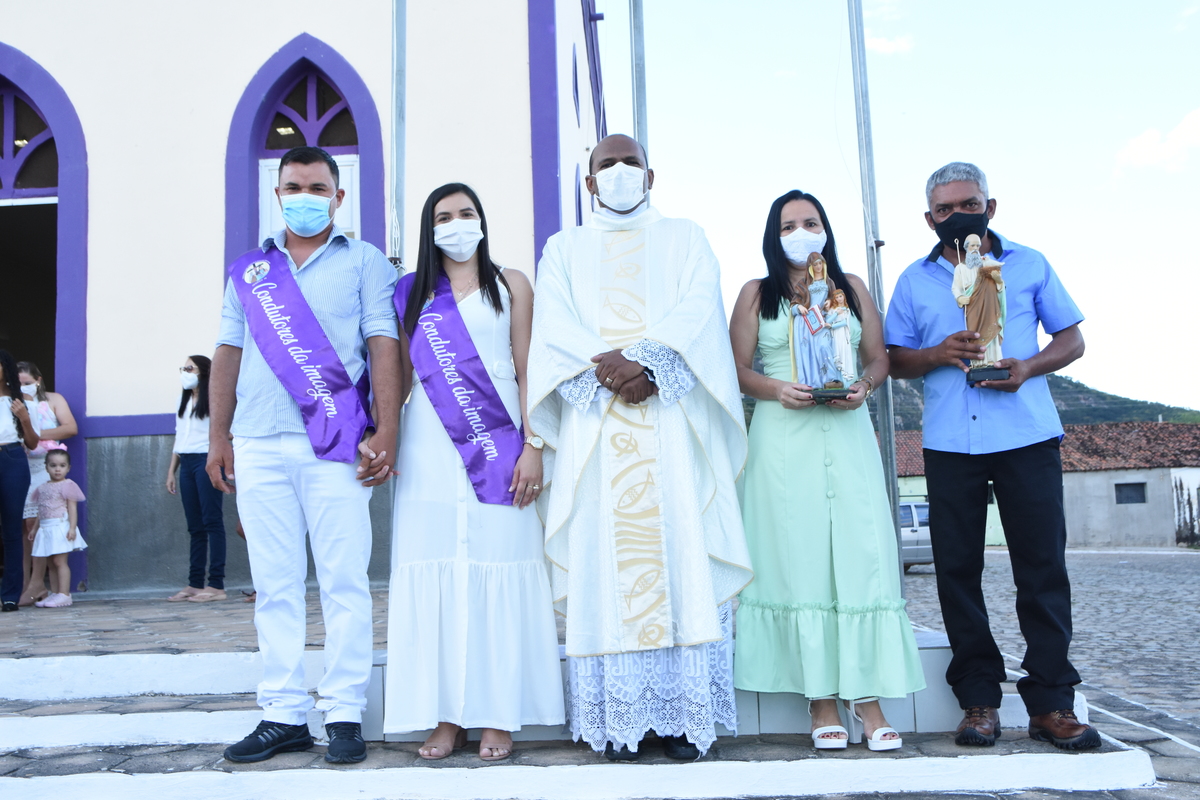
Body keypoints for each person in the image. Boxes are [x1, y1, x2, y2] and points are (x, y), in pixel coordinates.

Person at [528, 134, 754, 761]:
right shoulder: (563, 248)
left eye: (632, 163)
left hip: (671, 423)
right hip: (599, 429)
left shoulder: (686, 237)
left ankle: (681, 721)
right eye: (607, 165)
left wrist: (650, 365)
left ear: (651, 177)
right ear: (590, 182)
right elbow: (555, 325)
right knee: (605, 560)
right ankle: (621, 722)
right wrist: (616, 371)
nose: (620, 172)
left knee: (680, 553)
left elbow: (699, 311)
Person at [884, 162, 1098, 750]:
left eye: (968, 204)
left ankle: (1051, 703)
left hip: (1027, 435)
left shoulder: (1030, 263)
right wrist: (937, 353)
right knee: (957, 573)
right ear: (929, 219)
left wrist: (1028, 367)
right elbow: (895, 359)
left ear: (990, 207)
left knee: (1042, 569)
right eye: (945, 210)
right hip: (951, 443)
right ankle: (978, 701)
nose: (957, 216)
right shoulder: (913, 280)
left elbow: (1072, 339)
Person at [208, 145, 401, 764]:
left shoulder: (365, 261)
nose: (305, 197)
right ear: (278, 194)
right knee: (275, 585)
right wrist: (218, 436)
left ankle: (344, 713)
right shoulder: (250, 272)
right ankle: (283, 714)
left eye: (318, 188)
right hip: (257, 439)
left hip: (337, 443)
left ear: (338, 197)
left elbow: (383, 344)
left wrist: (388, 430)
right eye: (294, 187)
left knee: (344, 581)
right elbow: (228, 353)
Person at [729, 190, 925, 752]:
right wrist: (776, 389)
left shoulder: (852, 288)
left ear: (826, 229)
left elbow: (878, 358)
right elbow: (735, 369)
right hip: (782, 438)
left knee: (861, 556)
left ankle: (867, 697)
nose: (801, 232)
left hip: (847, 430)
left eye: (810, 221)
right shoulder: (756, 293)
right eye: (788, 225)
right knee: (798, 558)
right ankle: (819, 699)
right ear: (773, 235)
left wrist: (863, 386)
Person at [385, 183, 564, 762]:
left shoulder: (511, 284)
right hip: (430, 445)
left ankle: (497, 715)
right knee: (439, 566)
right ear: (429, 228)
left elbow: (527, 366)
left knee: (501, 561)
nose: (456, 224)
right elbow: (403, 376)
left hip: (500, 441)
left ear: (482, 221)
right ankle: (447, 716)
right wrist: (382, 435)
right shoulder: (410, 291)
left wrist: (534, 444)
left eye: (466, 213)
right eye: (444, 216)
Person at [165, 355, 227, 602]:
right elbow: (179, 437)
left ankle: (216, 585)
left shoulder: (216, 400)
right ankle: (194, 583)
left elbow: (228, 432)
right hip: (187, 462)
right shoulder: (182, 401)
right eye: (183, 368)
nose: (185, 372)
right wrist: (171, 471)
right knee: (195, 526)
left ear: (204, 372)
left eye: (190, 368)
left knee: (212, 521)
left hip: (206, 460)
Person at [16, 361, 77, 604]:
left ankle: (37, 583)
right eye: (18, 383)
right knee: (23, 527)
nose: (23, 387)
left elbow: (70, 427)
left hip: (46, 468)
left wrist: (33, 434)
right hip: (21, 466)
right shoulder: (12, 403)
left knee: (38, 523)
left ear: (38, 380)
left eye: (27, 383)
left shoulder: (54, 399)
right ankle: (24, 584)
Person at [0, 350, 40, 612]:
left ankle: (10, 595)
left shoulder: (22, 400)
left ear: (6, 368)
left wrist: (24, 418)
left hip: (12, 458)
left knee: (12, 529)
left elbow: (33, 443)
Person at [24, 450, 86, 608]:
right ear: (46, 467)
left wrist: (72, 528)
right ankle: (55, 593)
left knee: (60, 561)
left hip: (60, 527)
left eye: (62, 465)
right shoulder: (42, 487)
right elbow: (41, 510)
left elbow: (72, 509)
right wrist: (35, 529)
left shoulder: (68, 485)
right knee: (51, 563)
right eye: (53, 465)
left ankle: (64, 594)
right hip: (46, 529)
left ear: (68, 468)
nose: (57, 469)